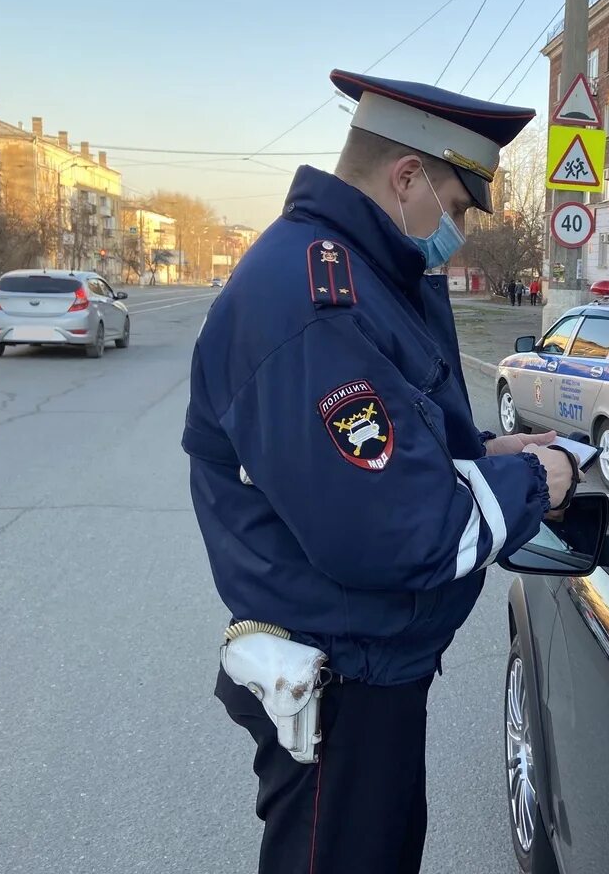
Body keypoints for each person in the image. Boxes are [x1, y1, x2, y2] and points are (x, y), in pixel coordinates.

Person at [182, 70, 579, 874]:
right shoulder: (312, 298)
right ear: (407, 177)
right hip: (342, 684)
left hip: (373, 671)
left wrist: (488, 453)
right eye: (459, 207)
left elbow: (405, 437)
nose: (459, 232)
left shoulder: (364, 274)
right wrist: (545, 482)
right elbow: (403, 533)